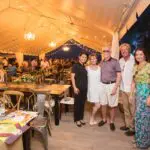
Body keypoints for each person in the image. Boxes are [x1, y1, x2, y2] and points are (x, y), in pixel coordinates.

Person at [130, 48, 150, 149]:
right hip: (138, 94)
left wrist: (149, 97)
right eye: (137, 55)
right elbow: (133, 81)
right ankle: (139, 140)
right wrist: (131, 94)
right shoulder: (135, 66)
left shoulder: (148, 66)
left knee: (145, 118)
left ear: (144, 55)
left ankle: (145, 143)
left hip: (146, 93)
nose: (138, 56)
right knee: (138, 118)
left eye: (141, 54)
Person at [98, 47, 121, 131]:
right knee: (103, 104)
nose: (105, 52)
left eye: (107, 51)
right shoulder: (101, 62)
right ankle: (104, 119)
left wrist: (115, 87)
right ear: (102, 53)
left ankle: (111, 122)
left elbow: (119, 75)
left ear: (110, 52)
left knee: (112, 105)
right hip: (102, 85)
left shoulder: (115, 61)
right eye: (104, 51)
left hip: (112, 85)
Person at [119, 43, 135, 136]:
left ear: (129, 50)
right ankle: (128, 125)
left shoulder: (134, 60)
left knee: (133, 109)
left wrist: (133, 91)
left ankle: (133, 128)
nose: (124, 51)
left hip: (131, 89)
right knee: (125, 108)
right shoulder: (120, 60)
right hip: (123, 88)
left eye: (125, 49)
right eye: (122, 50)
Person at [71, 52, 88, 127]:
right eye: (83, 57)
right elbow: (72, 77)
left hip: (84, 88)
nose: (84, 58)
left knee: (82, 104)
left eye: (85, 57)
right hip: (78, 88)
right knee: (77, 104)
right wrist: (74, 87)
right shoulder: (75, 66)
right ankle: (77, 119)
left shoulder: (84, 66)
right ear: (79, 57)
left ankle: (81, 118)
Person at [86, 54, 103, 125]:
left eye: (94, 58)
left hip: (99, 88)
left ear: (96, 59)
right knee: (98, 105)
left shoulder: (100, 67)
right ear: (90, 60)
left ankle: (92, 118)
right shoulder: (87, 68)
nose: (93, 60)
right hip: (91, 89)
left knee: (98, 105)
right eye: (91, 59)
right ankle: (92, 118)